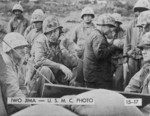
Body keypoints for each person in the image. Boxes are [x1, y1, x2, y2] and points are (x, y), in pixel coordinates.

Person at [26, 16, 78, 96]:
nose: (52, 34)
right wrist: (60, 66)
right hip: (43, 78)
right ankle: (43, 99)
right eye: (49, 32)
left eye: (54, 31)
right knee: (45, 70)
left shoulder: (66, 40)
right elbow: (39, 61)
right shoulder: (40, 41)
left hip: (63, 78)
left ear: (59, 30)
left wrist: (62, 48)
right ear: (45, 33)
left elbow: (75, 62)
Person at [83, 14, 118, 89]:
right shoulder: (99, 37)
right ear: (104, 26)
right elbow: (100, 55)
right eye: (110, 27)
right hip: (97, 78)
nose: (112, 29)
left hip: (92, 75)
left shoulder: (95, 34)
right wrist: (114, 46)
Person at [1, 32, 30, 115]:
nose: (23, 50)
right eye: (19, 47)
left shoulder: (15, 61)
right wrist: (31, 106)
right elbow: (13, 94)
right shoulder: (5, 62)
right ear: (10, 49)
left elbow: (21, 86)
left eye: (24, 47)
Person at [123, 0, 150, 87]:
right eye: (138, 10)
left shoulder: (148, 24)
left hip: (144, 56)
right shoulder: (131, 25)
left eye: (142, 10)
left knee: (144, 76)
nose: (139, 12)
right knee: (132, 77)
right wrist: (125, 56)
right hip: (132, 56)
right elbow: (127, 41)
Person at [68, 6, 96, 87]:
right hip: (79, 55)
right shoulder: (77, 28)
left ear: (92, 17)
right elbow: (71, 41)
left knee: (90, 77)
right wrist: (76, 49)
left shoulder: (96, 28)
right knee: (77, 77)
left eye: (89, 15)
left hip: (91, 56)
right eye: (85, 15)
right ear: (82, 17)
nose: (87, 17)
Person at [125, 32, 150, 116]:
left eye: (147, 48)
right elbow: (130, 90)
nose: (143, 52)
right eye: (143, 49)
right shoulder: (146, 68)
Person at [111, 13, 125, 91]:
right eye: (114, 22)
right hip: (109, 58)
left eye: (117, 23)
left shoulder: (123, 32)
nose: (115, 24)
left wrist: (117, 43)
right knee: (106, 78)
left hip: (119, 59)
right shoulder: (108, 31)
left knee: (118, 79)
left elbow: (124, 44)